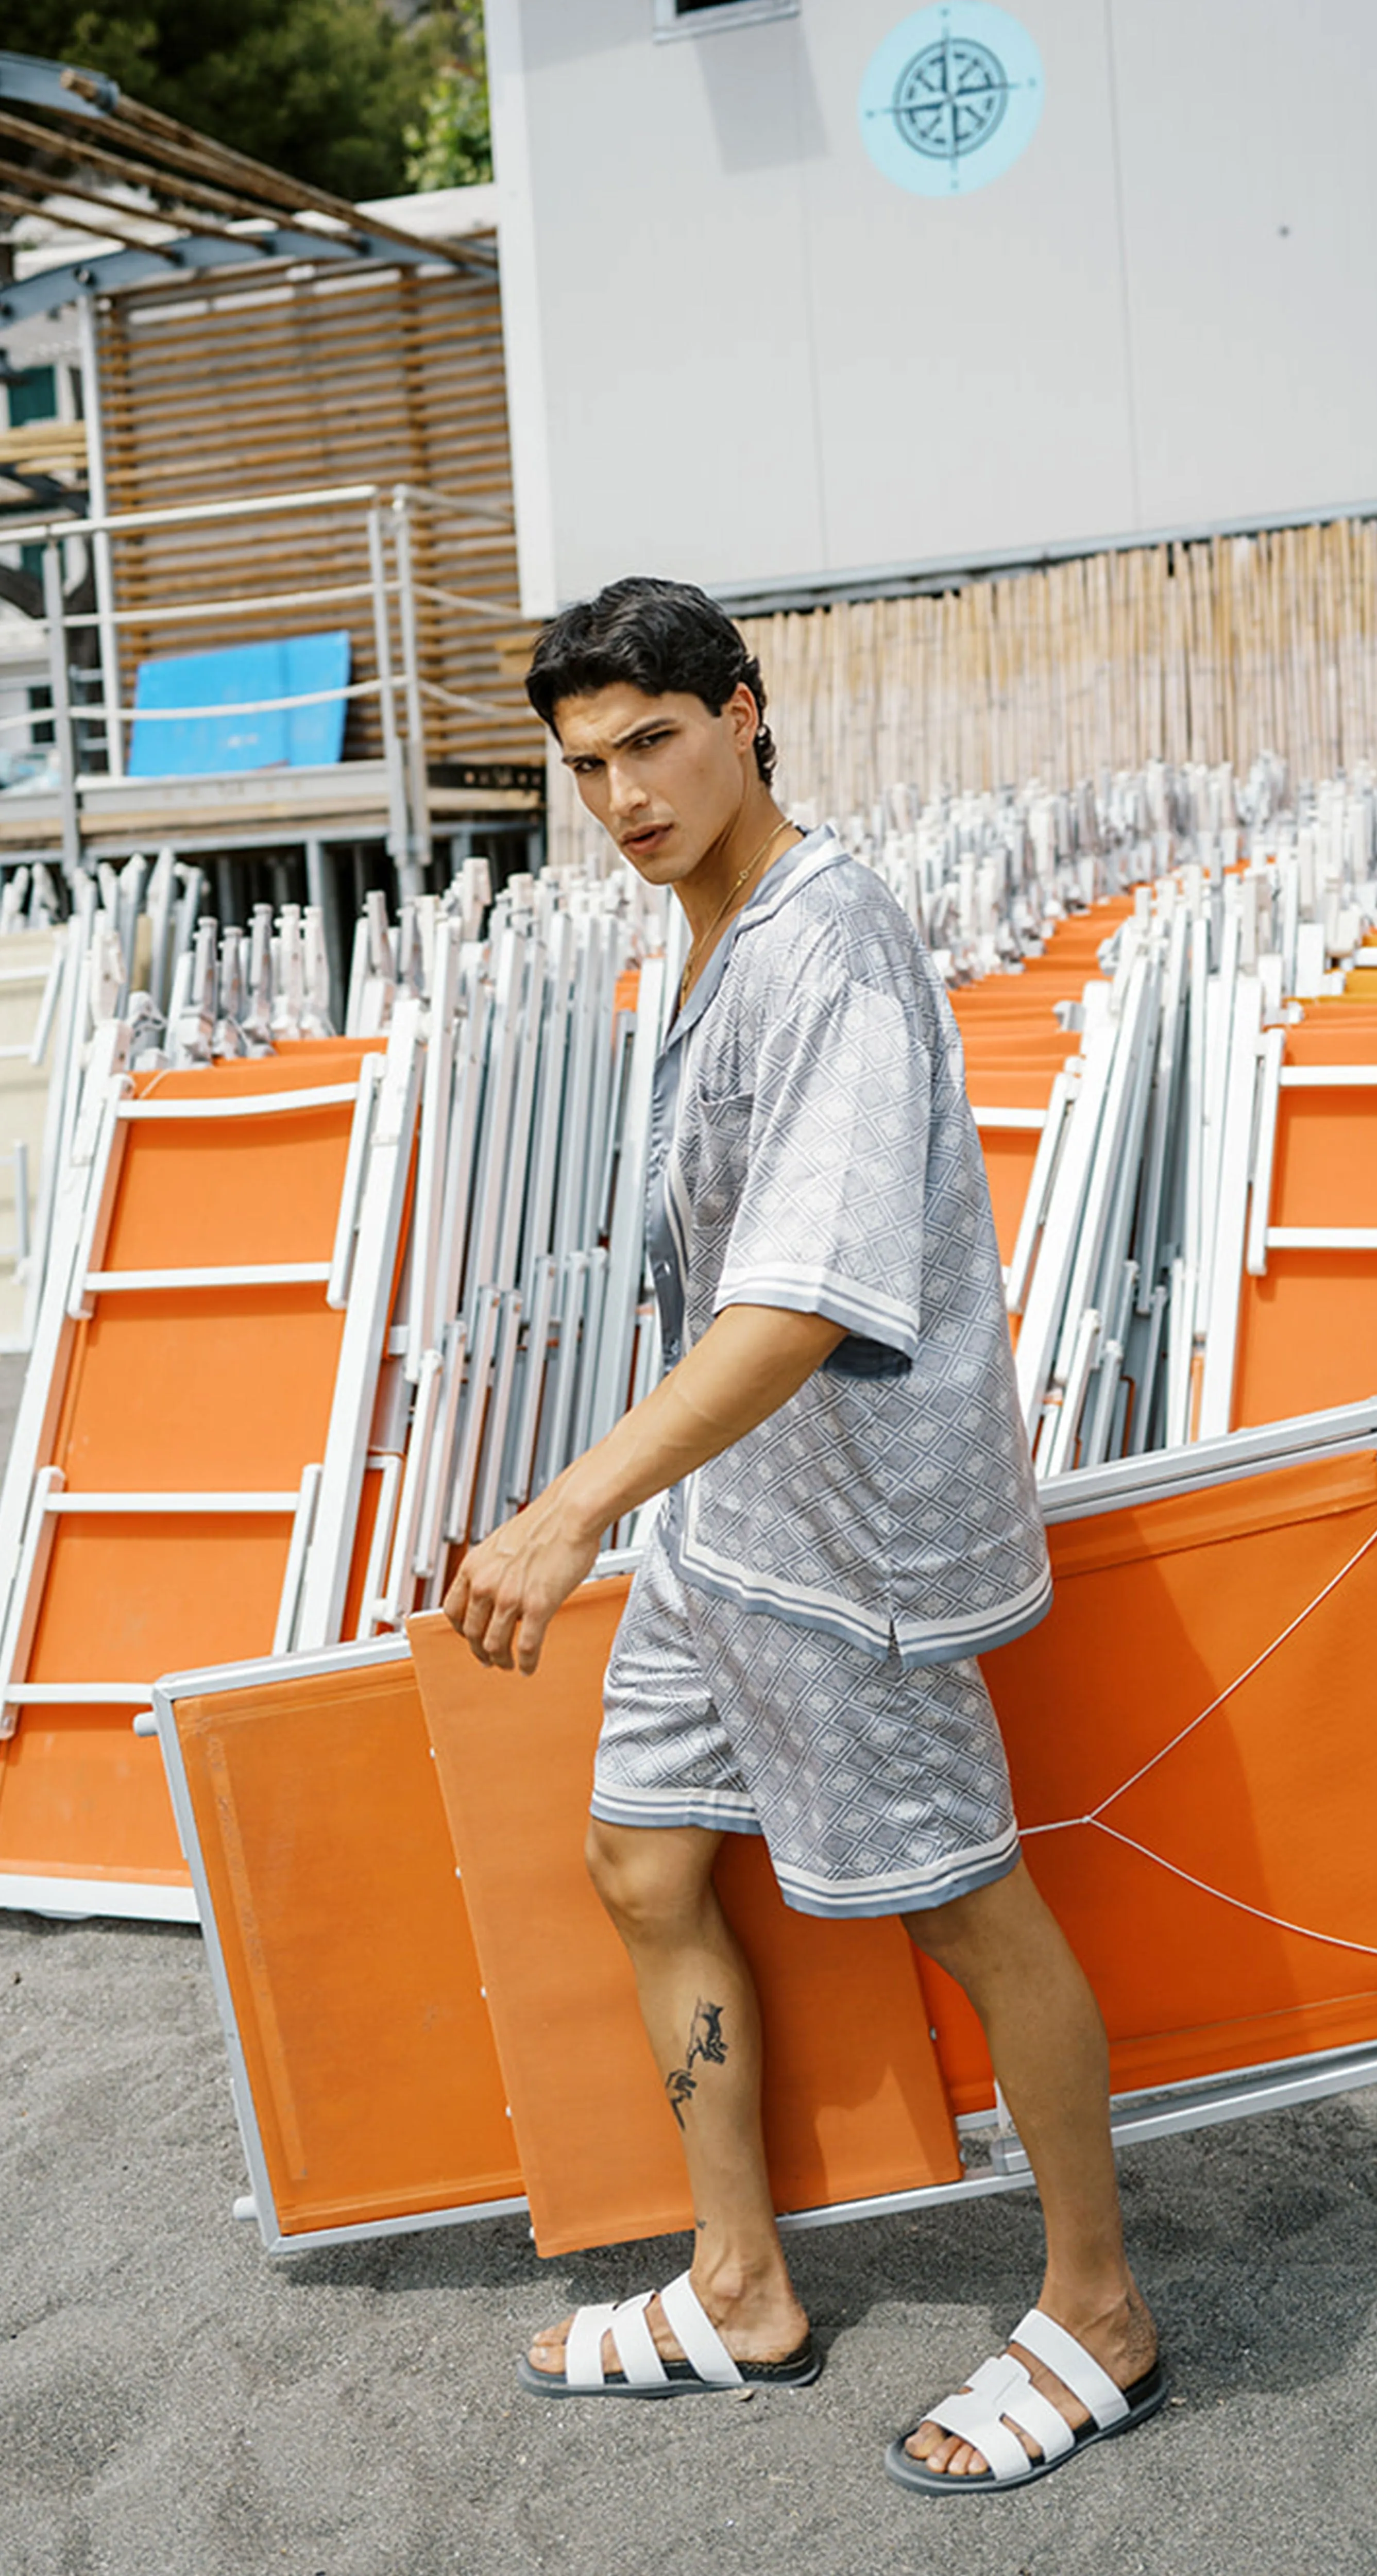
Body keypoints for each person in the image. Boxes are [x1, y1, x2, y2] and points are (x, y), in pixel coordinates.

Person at [445, 577, 1162, 2494]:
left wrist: (567, 1507)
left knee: (959, 1899)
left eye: (654, 744)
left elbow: (802, 1298)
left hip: (849, 1532)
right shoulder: (701, 938)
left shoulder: (823, 939)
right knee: (638, 1860)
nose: (621, 797)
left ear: (745, 714)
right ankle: (743, 2279)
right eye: (586, 766)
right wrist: (641, 1501)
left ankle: (1097, 2305)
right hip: (721, 1519)